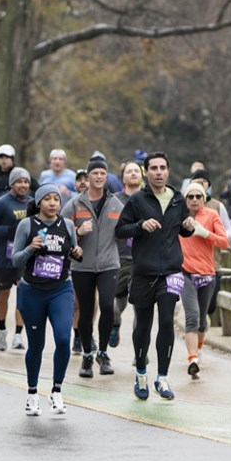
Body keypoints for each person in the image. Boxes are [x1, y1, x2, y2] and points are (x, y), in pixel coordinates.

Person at [119, 152, 189, 400]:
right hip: (144, 271)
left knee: (167, 321)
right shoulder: (137, 200)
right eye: (154, 168)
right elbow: (120, 230)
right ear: (146, 173)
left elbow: (181, 228)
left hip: (170, 271)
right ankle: (140, 373)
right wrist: (140, 226)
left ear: (168, 171)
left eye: (162, 168)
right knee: (143, 326)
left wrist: (187, 229)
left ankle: (162, 377)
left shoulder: (178, 199)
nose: (158, 172)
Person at [11, 184, 80, 414]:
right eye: (47, 199)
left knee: (63, 338)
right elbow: (16, 260)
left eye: (56, 199)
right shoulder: (27, 224)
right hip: (33, 291)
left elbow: (74, 252)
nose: (52, 203)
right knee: (36, 345)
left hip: (61, 289)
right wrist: (31, 248)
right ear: (39, 202)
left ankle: (57, 390)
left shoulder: (68, 225)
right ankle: (32, 394)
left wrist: (77, 253)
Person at [69, 161, 125, 378]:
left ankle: (102, 352)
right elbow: (60, 232)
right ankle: (86, 355)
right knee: (85, 310)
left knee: (107, 306)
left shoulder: (116, 204)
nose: (99, 177)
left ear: (107, 176)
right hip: (82, 265)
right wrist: (78, 231)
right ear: (88, 177)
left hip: (109, 264)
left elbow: (126, 228)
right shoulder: (75, 204)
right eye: (95, 173)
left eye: (103, 173)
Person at [179, 179, 231, 379]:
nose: (194, 200)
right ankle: (192, 359)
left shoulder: (211, 215)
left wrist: (205, 233)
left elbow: (224, 242)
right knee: (191, 317)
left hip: (207, 273)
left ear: (203, 198)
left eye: (198, 196)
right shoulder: (180, 218)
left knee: (202, 320)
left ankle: (198, 348)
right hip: (185, 273)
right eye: (190, 197)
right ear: (185, 200)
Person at [0, 167, 34, 351]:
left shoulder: (32, 202)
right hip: (4, 257)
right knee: (3, 294)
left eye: (26, 182)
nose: (23, 185)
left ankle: (19, 335)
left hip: (25, 256)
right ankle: (3, 330)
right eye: (19, 181)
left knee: (23, 293)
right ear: (12, 184)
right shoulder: (2, 203)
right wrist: (7, 231)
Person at [110, 160, 144, 348]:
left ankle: (140, 350)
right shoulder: (114, 200)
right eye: (129, 171)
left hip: (142, 259)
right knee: (116, 305)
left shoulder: (149, 198)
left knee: (140, 307)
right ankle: (115, 323)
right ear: (122, 177)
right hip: (119, 256)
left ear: (141, 176)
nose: (133, 174)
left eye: (136, 171)